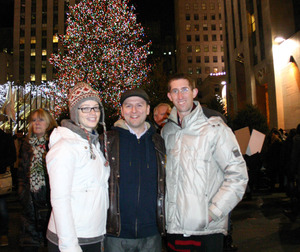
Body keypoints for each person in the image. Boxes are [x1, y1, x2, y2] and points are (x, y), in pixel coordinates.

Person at [161, 73, 248, 252]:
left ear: (194, 92)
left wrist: (213, 212)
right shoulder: (167, 131)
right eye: (175, 91)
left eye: (185, 89)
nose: (180, 95)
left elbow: (238, 175)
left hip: (206, 230)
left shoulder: (215, 128)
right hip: (175, 228)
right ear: (169, 96)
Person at [46, 82, 110, 252]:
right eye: (85, 108)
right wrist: (69, 246)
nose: (92, 113)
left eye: (96, 107)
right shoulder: (64, 147)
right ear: (75, 112)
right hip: (72, 238)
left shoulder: (94, 143)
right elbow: (60, 200)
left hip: (93, 233)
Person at [101, 88, 166, 252]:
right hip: (116, 235)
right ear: (122, 110)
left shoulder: (159, 142)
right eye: (128, 106)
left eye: (139, 105)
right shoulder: (107, 141)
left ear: (148, 109)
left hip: (152, 234)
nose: (134, 110)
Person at [18, 108, 57, 251]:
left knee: (49, 240)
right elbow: (22, 172)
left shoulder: (55, 144)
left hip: (48, 198)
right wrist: (22, 192)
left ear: (49, 123)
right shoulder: (27, 144)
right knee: (30, 242)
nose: (37, 123)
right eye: (34, 120)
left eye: (41, 119)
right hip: (30, 200)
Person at [0, 129, 16, 247]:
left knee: (2, 208)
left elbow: (12, 157)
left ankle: (3, 233)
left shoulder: (5, 138)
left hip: (1, 176)